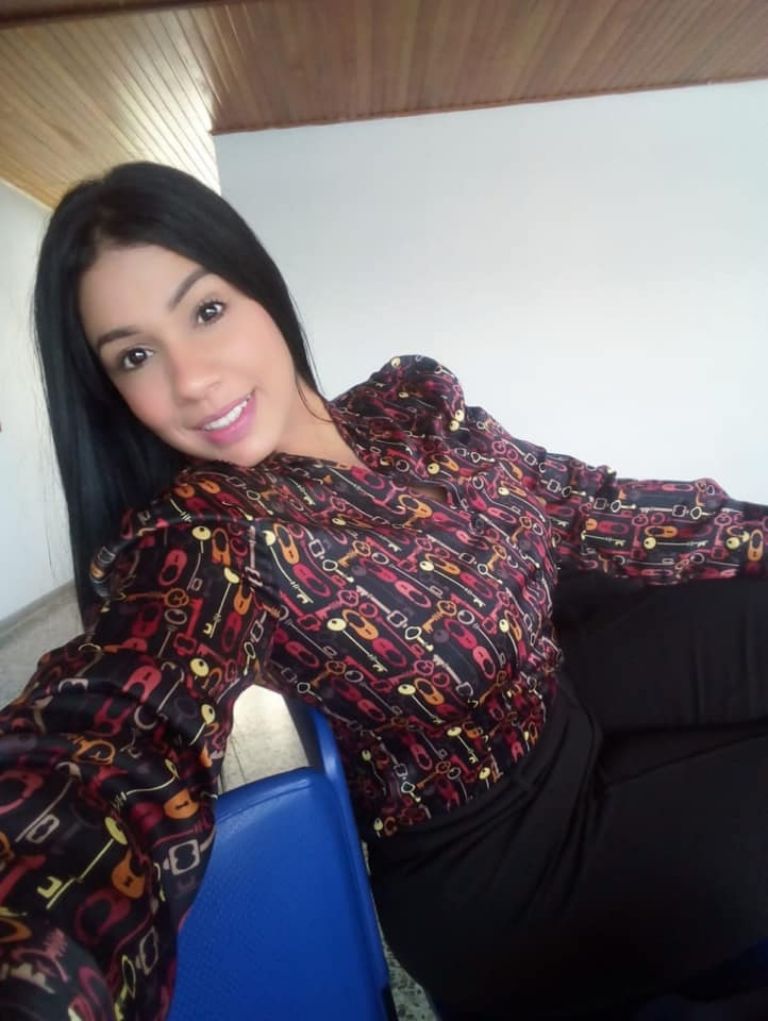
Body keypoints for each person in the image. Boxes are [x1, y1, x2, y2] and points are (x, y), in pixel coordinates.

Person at [0, 161, 766, 1021]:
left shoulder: (408, 408)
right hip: (509, 870)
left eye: (206, 311)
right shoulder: (206, 535)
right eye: (136, 355)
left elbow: (584, 503)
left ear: (259, 288)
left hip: (564, 694)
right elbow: (105, 738)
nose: (192, 379)